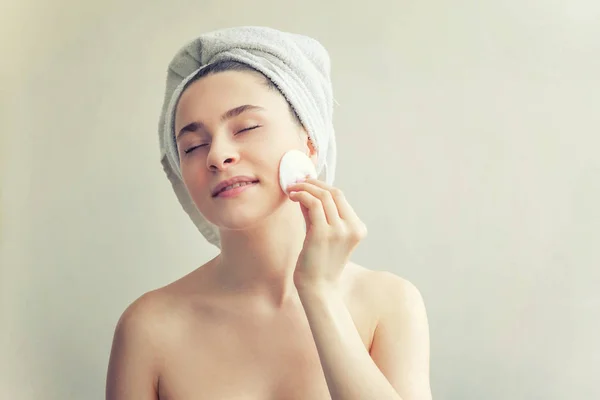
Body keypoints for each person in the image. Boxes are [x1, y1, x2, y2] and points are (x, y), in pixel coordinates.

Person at [106, 27, 432, 400]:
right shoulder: (148, 327)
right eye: (193, 146)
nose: (217, 156)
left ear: (310, 142)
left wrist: (318, 292)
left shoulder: (388, 302)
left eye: (246, 127)